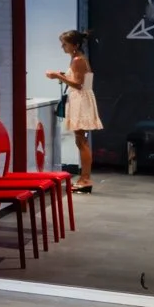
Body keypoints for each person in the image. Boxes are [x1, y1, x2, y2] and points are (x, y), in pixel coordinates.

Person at [45, 29, 101, 193]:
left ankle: (85, 179)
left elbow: (79, 85)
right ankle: (84, 178)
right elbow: (85, 80)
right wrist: (64, 75)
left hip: (81, 100)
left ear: (74, 45)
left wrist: (57, 76)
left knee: (81, 141)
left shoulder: (78, 60)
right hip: (82, 98)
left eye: (65, 44)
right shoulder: (79, 59)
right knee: (80, 140)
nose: (63, 47)